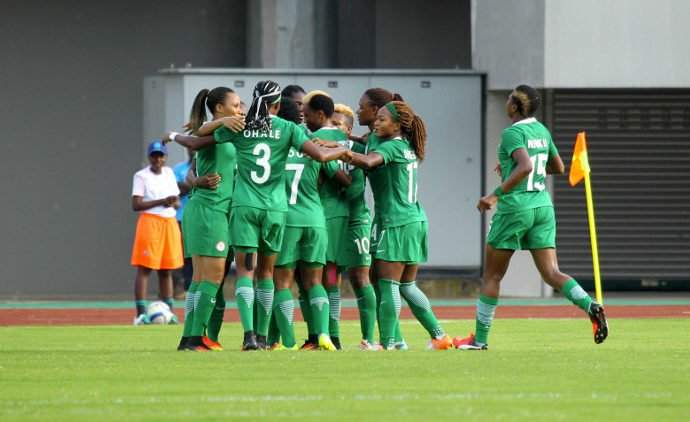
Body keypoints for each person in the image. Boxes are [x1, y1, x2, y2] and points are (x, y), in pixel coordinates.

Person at [167, 80, 351, 350]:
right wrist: (344, 149)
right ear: (276, 105)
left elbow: (198, 139)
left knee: (243, 273)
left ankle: (248, 336)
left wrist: (195, 130)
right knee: (268, 275)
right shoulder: (288, 129)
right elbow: (322, 158)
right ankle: (264, 338)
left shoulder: (242, 128)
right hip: (275, 211)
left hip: (242, 208)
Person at [454, 85, 608, 350]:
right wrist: (517, 169)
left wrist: (494, 194)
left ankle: (479, 340)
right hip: (542, 207)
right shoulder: (541, 130)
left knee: (492, 276)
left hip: (516, 207)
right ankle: (591, 305)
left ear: (514, 106)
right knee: (551, 273)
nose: (506, 102)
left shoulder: (512, 133)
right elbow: (558, 167)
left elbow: (525, 166)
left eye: (510, 98)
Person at [347, 100, 453, 350]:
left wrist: (341, 152)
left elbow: (370, 161)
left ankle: (387, 343)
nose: (376, 122)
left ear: (397, 125)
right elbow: (367, 145)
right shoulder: (405, 146)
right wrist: (346, 139)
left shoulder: (392, 147)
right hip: (413, 219)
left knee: (388, 284)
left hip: (395, 221)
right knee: (406, 284)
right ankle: (438, 336)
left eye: (382, 119)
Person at [175, 86, 246, 352]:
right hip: (210, 210)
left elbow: (191, 168)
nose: (239, 110)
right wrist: (220, 122)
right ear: (219, 108)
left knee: (200, 278)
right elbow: (197, 133)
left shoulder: (224, 131)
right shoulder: (213, 130)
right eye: (236, 105)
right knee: (213, 278)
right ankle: (195, 338)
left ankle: (189, 337)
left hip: (209, 210)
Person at [332, 103, 379, 350]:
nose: (333, 128)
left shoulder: (360, 148)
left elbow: (354, 185)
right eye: (331, 123)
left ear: (348, 129)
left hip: (356, 219)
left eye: (338, 124)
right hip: (330, 218)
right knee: (331, 278)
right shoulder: (320, 146)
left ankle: (368, 338)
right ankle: (332, 337)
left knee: (361, 278)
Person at [130, 141, 183, 325]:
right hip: (150, 221)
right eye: (154, 156)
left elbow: (176, 200)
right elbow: (136, 204)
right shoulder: (141, 176)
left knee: (166, 270)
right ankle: (140, 314)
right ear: (149, 157)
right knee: (145, 268)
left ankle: (169, 311)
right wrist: (162, 201)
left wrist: (172, 202)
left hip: (169, 221)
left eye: (161, 156)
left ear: (165, 157)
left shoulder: (169, 173)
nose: (157, 159)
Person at [171, 149, 194, 298]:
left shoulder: (207, 165)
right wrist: (192, 184)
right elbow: (173, 191)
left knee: (194, 255)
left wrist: (185, 184)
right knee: (179, 254)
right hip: (179, 217)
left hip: (197, 218)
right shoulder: (178, 168)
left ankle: (191, 287)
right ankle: (178, 289)